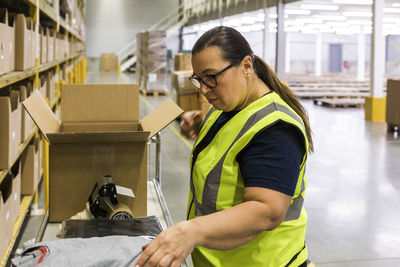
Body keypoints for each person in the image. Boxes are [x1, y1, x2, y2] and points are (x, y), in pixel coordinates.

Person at [135, 26, 314, 267]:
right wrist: (201, 127)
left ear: (246, 66)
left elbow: (267, 209)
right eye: (198, 79)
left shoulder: (276, 129)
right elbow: (234, 148)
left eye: (211, 77)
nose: (204, 89)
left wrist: (192, 231)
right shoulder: (227, 107)